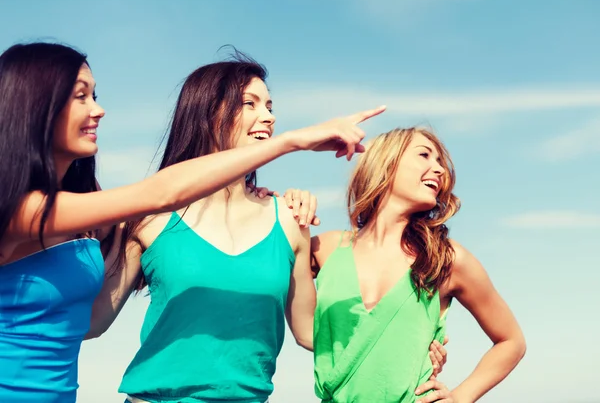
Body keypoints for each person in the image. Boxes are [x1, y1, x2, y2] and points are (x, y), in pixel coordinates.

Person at [0, 42, 383, 403]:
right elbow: (160, 195)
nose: (269, 116)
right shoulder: (28, 211)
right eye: (249, 103)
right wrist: (291, 141)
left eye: (94, 96)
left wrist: (402, 333)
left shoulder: (84, 207)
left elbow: (83, 321)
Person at [311, 127, 526, 403]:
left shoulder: (445, 259)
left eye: (440, 162)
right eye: (424, 155)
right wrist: (288, 204)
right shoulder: (325, 249)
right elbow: (303, 331)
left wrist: (460, 398)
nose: (439, 169)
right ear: (385, 162)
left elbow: (512, 341)